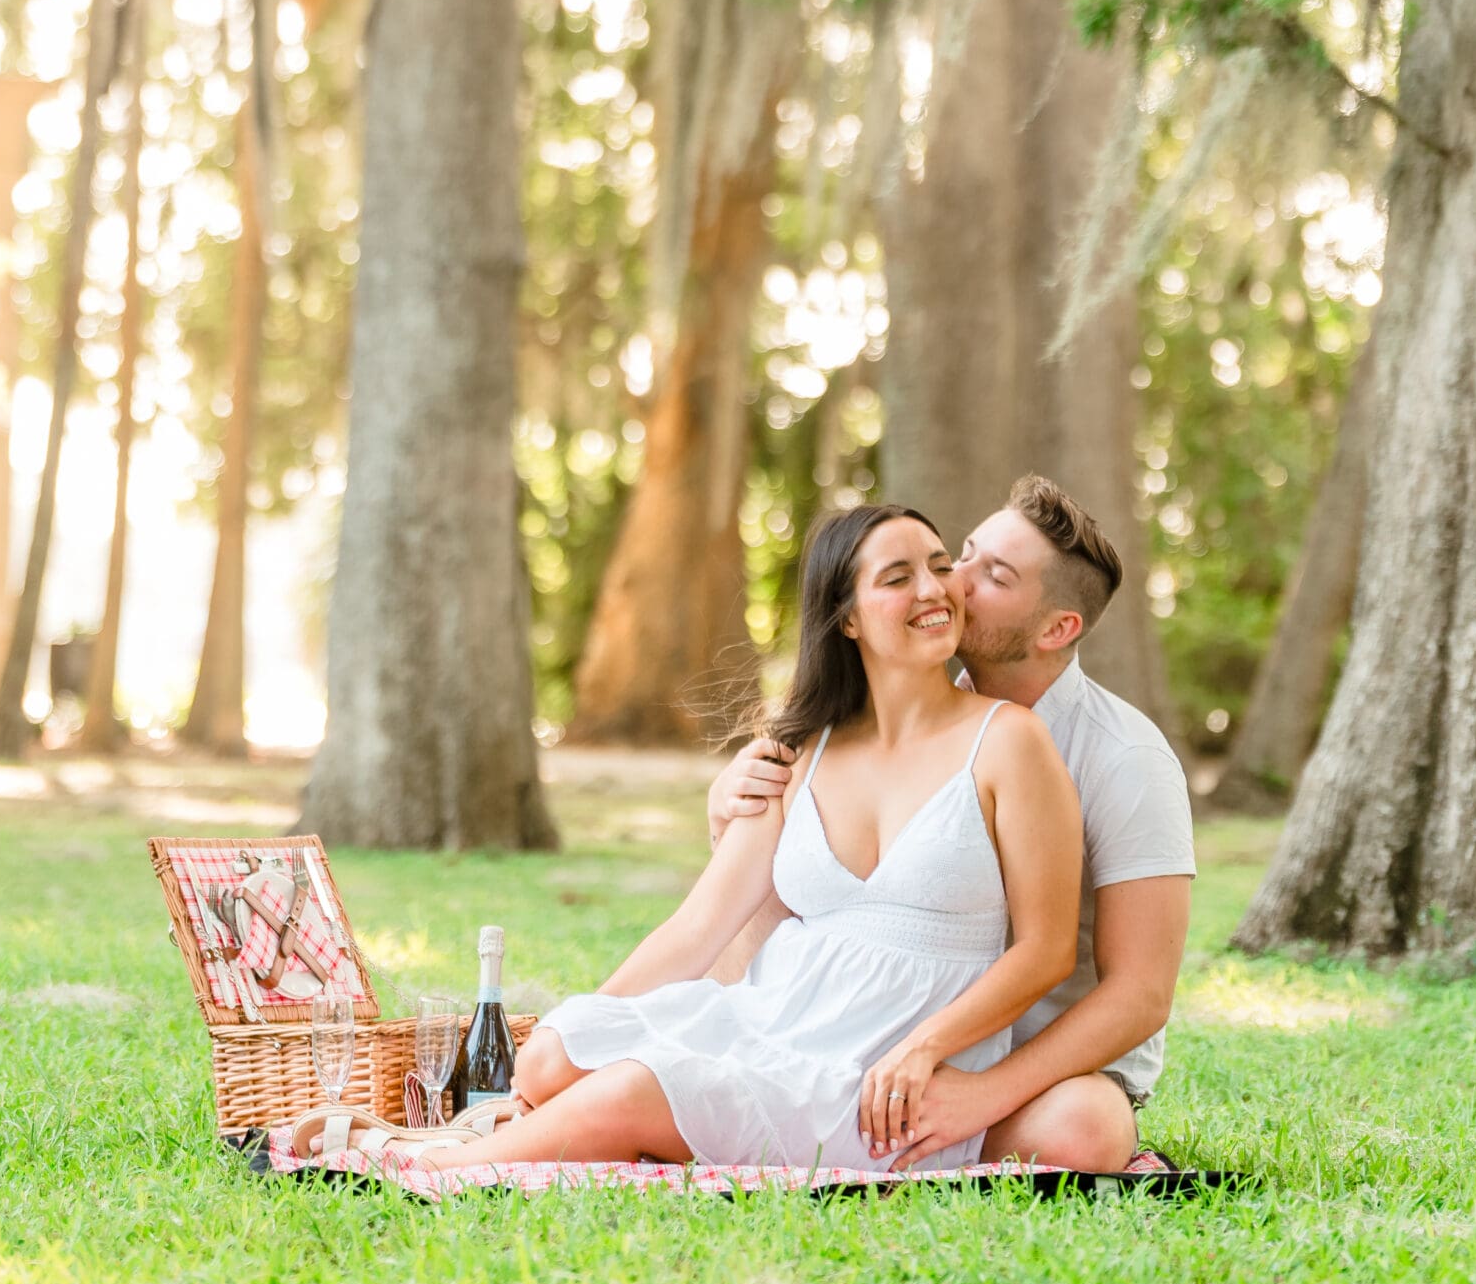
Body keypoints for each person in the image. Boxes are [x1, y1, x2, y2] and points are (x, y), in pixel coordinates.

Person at [289, 502, 1081, 1178]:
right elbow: (699, 928)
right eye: (896, 576)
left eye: (938, 566)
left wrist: (924, 1049)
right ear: (845, 617)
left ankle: (427, 1162)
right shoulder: (799, 755)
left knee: (636, 1087)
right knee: (551, 1055)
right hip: (780, 1021)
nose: (933, 590)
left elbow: (1043, 950)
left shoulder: (1008, 743)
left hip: (884, 1069)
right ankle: (522, 1127)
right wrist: (587, 1012)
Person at [708, 476, 1194, 1173]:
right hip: (867, 1033)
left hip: (1032, 1069)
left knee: (1083, 1129)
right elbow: (796, 909)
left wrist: (984, 1095)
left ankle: (886, 1132)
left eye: (992, 575)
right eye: (962, 554)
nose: (949, 582)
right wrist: (731, 819)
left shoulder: (1124, 759)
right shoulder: (903, 713)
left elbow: (1140, 994)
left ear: (1058, 628)